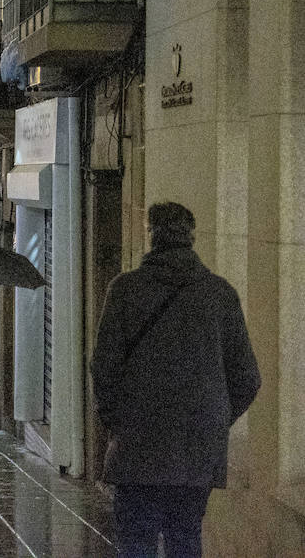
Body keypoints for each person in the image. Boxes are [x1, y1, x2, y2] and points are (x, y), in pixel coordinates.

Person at [91, 202, 260, 558]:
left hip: (138, 445)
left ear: (151, 234)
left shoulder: (125, 290)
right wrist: (213, 420)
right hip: (196, 450)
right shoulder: (220, 294)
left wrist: (119, 420)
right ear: (191, 237)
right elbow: (247, 377)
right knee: (185, 537)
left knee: (136, 540)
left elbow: (103, 368)